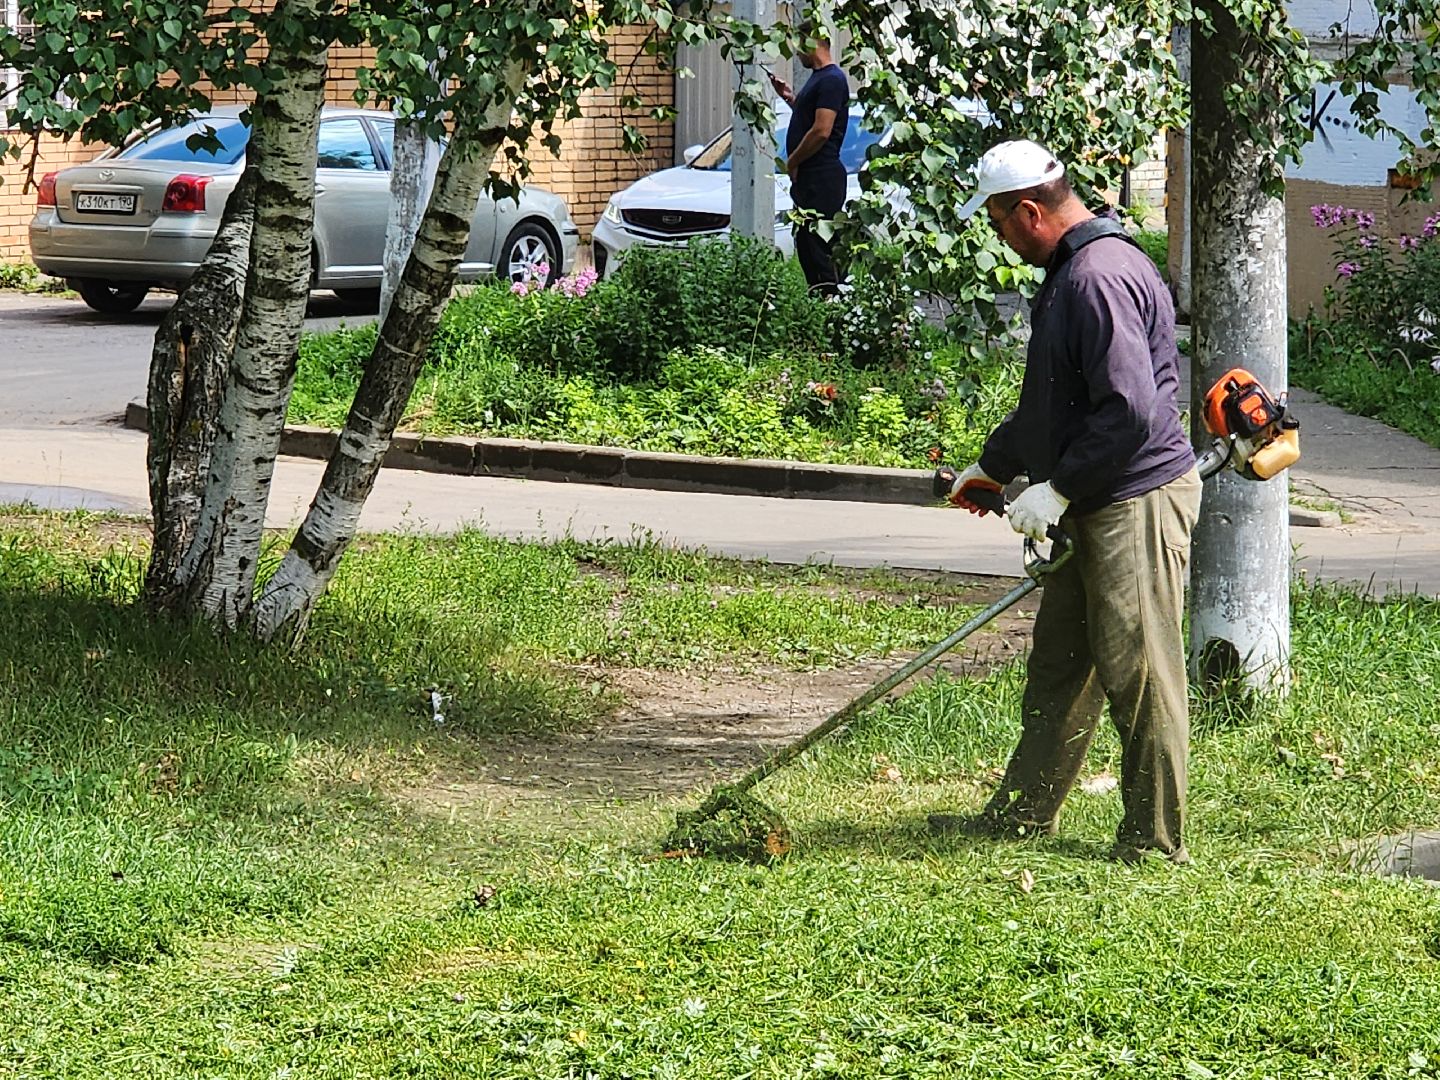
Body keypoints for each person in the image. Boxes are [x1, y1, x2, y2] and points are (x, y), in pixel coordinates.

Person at [931, 139, 1202, 865]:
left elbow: (1128, 414)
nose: (995, 232)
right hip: (1096, 498)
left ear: (1028, 211)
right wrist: (991, 466)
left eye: (995, 219)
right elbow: (1057, 403)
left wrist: (1055, 489)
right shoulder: (1071, 270)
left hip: (1133, 500)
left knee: (1140, 673)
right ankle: (1022, 818)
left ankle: (1154, 843)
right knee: (1060, 669)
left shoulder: (1098, 278)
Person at [768, 22, 848, 295]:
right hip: (811, 178)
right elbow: (810, 119)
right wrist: (791, 98)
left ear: (814, 42)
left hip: (822, 175)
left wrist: (792, 161)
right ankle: (820, 301)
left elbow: (821, 130)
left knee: (819, 247)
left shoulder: (832, 79)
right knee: (806, 244)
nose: (796, 52)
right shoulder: (819, 79)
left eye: (799, 44)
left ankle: (831, 304)